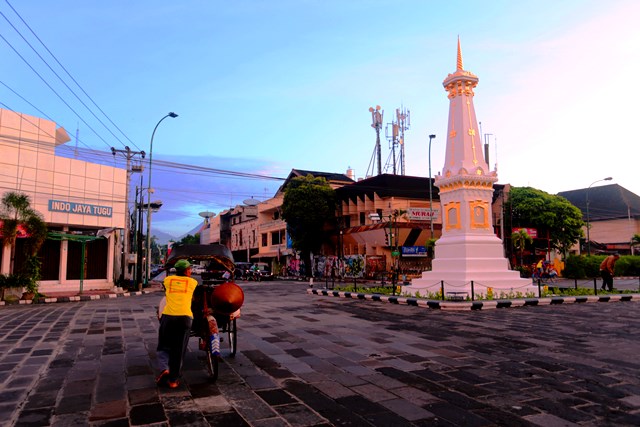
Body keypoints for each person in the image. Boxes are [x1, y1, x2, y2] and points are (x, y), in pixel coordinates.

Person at [156, 259, 198, 389]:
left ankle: (164, 368)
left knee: (163, 345)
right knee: (179, 349)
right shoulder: (193, 282)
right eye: (189, 269)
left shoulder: (168, 281)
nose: (191, 271)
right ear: (186, 271)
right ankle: (173, 380)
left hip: (168, 316)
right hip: (185, 318)